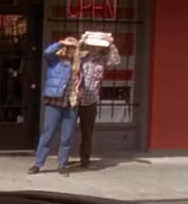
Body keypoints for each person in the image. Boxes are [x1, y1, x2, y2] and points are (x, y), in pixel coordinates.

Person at [29, 36, 82, 176]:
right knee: (48, 133)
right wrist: (61, 43)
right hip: (55, 101)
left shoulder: (78, 65)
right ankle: (38, 164)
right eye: (68, 47)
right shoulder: (55, 61)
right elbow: (47, 52)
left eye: (73, 47)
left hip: (71, 102)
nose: (70, 49)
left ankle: (62, 165)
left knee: (67, 136)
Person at [75, 31, 121, 169]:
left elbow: (115, 61)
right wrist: (82, 41)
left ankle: (85, 160)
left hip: (91, 101)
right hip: (75, 99)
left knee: (87, 134)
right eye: (93, 46)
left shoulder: (102, 60)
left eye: (97, 46)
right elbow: (71, 54)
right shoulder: (80, 57)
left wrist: (110, 44)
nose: (95, 48)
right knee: (66, 131)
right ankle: (63, 160)